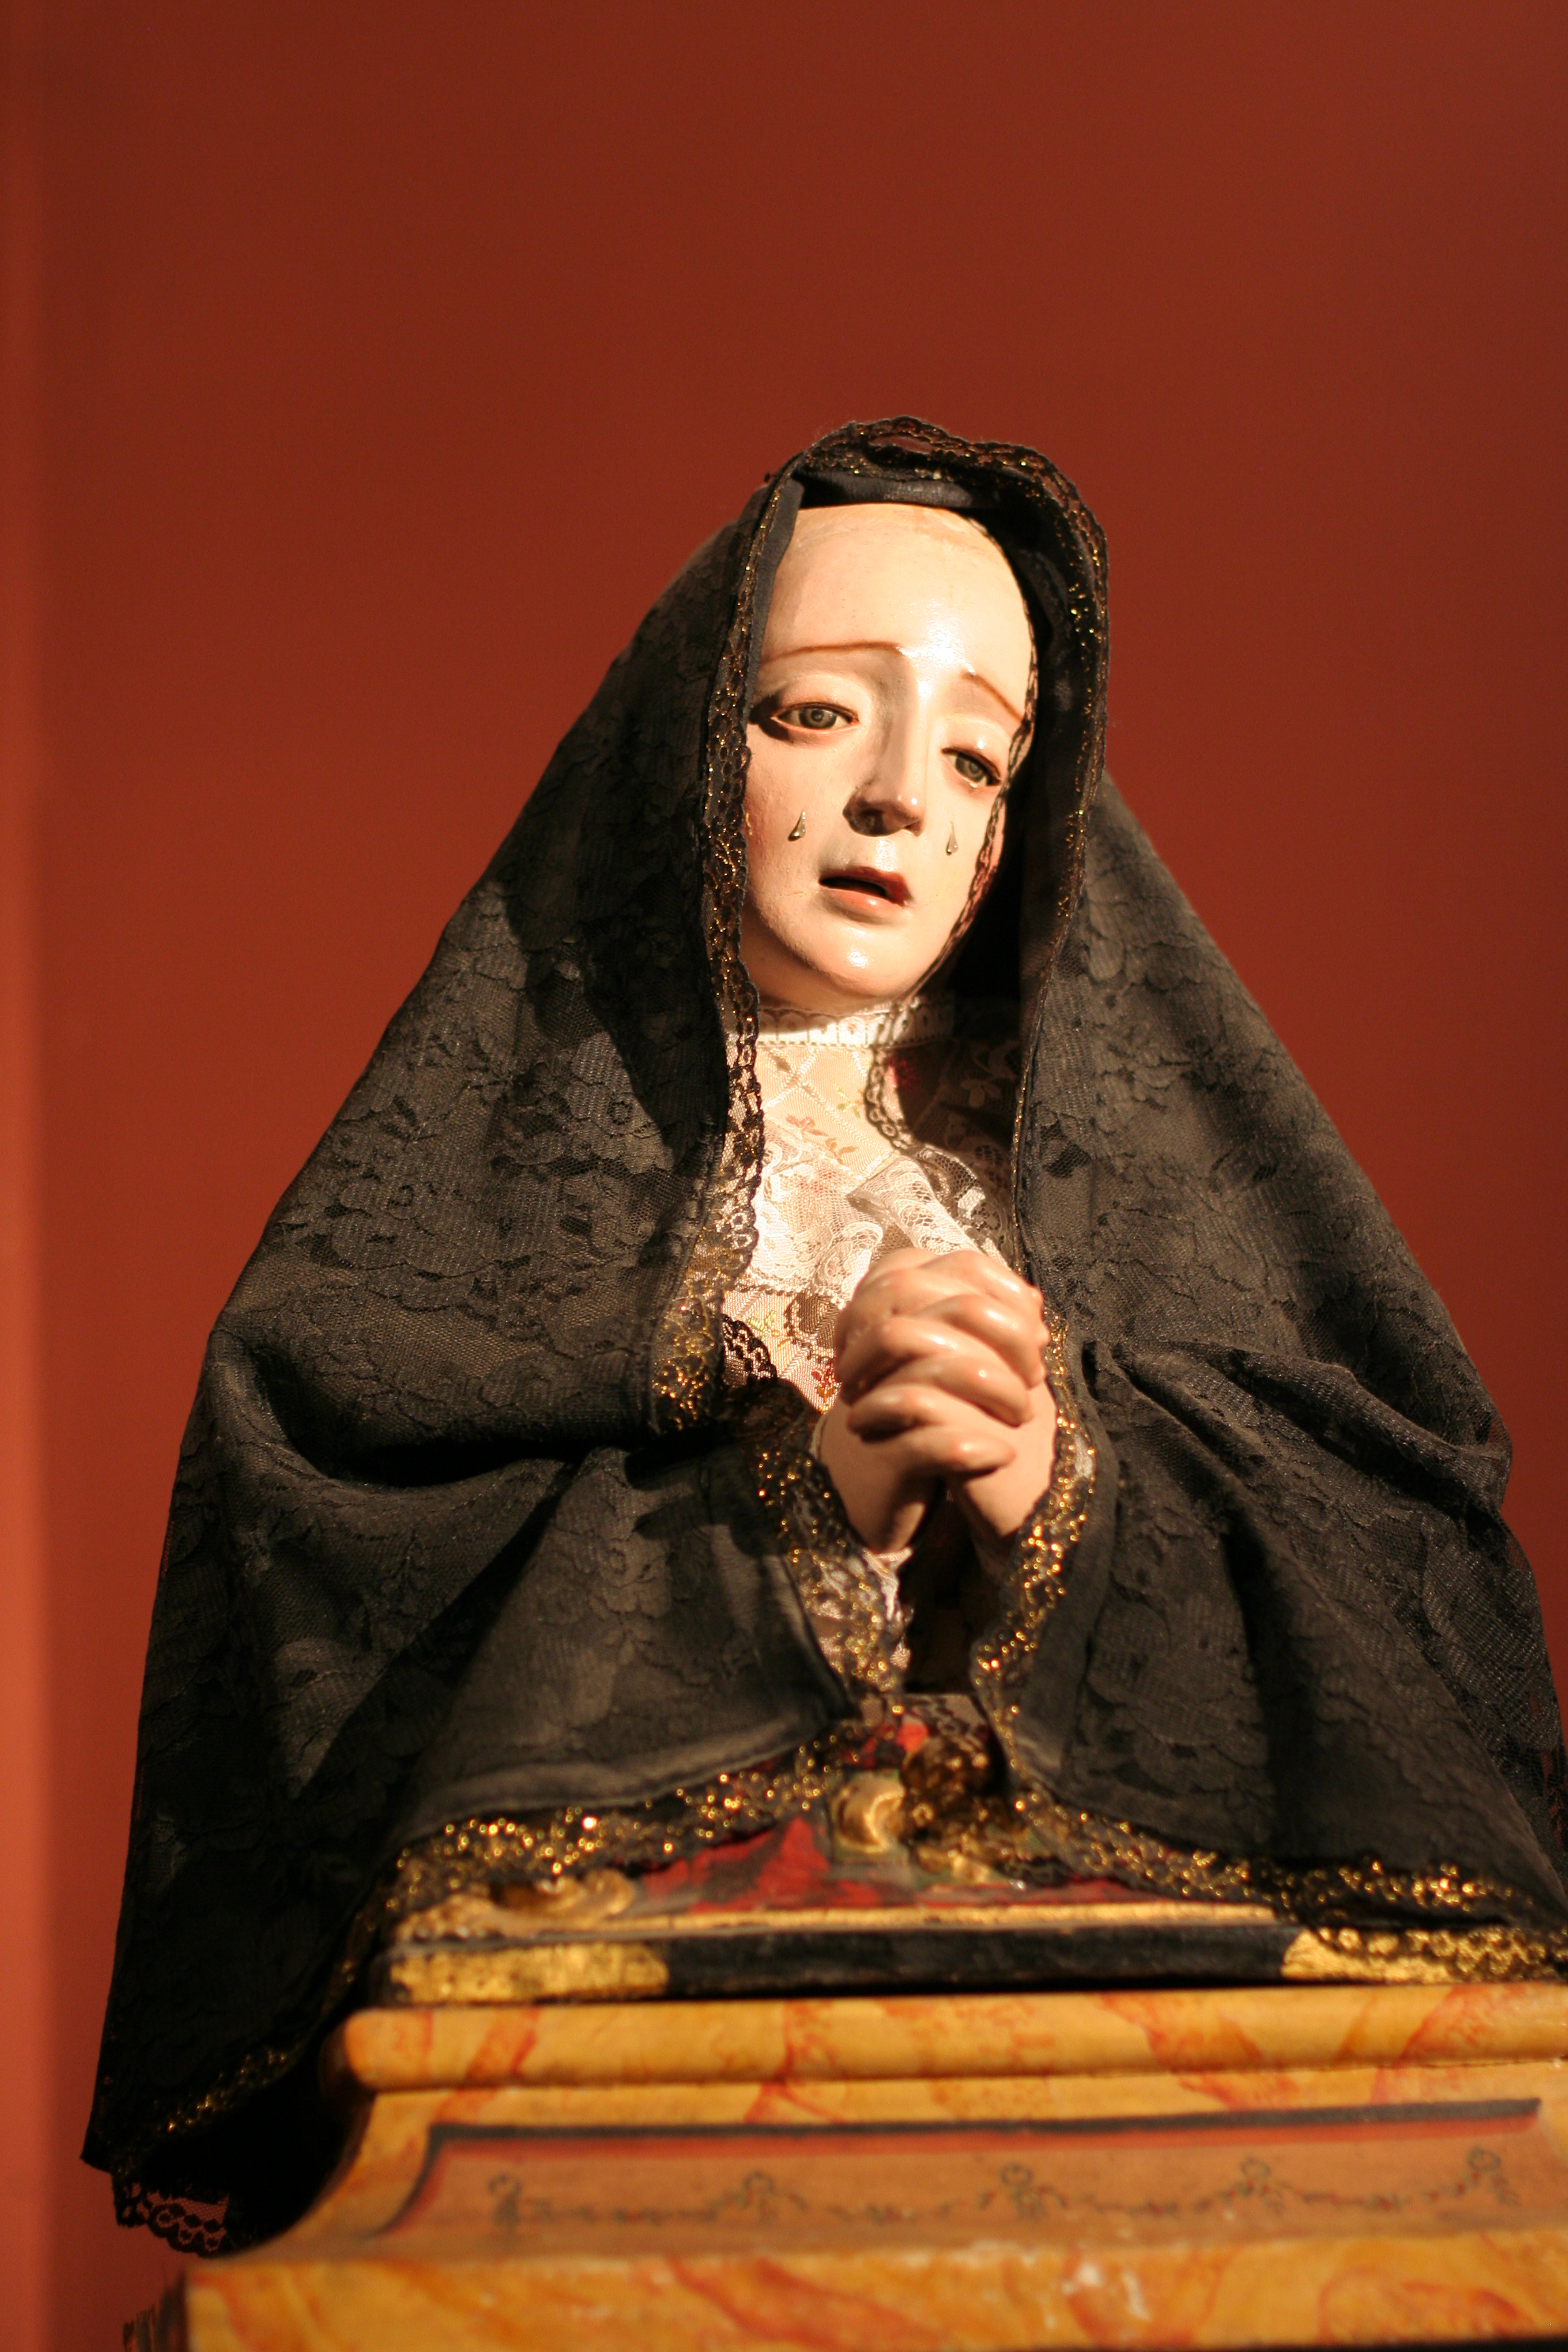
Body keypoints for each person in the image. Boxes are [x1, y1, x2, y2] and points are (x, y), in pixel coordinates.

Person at [88, 418, 1568, 2253]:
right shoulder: (485, 1222)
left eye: (976, 754)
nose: (896, 800)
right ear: (687, 748)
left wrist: (1060, 1483)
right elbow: (341, 1573)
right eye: (815, 714)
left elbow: (1405, 1570)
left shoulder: (1116, 1198)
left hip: (1126, 2074)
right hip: (659, 2092)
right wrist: (803, 1510)